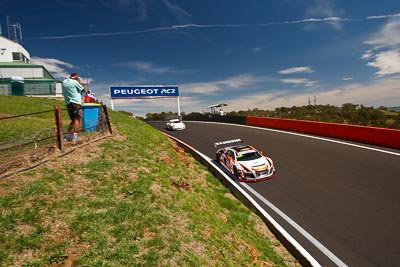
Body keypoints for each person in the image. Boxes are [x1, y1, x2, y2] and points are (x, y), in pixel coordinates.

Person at [62, 72, 86, 141]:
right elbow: (84, 90)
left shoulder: (64, 82)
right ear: (76, 77)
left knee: (73, 120)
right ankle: (75, 137)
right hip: (76, 102)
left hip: (68, 102)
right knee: (77, 119)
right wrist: (79, 82)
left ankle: (67, 135)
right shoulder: (75, 82)